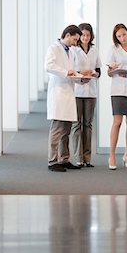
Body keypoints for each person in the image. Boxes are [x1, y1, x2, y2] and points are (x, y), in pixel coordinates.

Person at [45, 24, 87, 172]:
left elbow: (71, 72)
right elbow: (49, 66)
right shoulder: (53, 48)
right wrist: (66, 72)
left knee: (66, 130)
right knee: (57, 129)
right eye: (75, 40)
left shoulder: (70, 51)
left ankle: (64, 159)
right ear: (68, 35)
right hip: (58, 93)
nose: (76, 43)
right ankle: (52, 161)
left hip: (68, 93)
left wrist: (82, 78)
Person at [107, 23, 127, 170]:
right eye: (119, 36)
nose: (122, 38)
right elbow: (108, 73)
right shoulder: (113, 49)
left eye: (124, 34)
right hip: (118, 89)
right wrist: (113, 69)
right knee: (117, 122)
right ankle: (112, 155)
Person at [71, 23, 101, 167]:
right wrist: (82, 74)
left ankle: (87, 158)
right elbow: (70, 70)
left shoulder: (95, 50)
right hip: (77, 91)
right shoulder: (74, 50)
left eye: (88, 35)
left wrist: (94, 73)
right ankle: (78, 158)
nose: (85, 38)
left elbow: (99, 70)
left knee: (88, 125)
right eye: (83, 35)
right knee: (77, 125)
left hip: (91, 91)